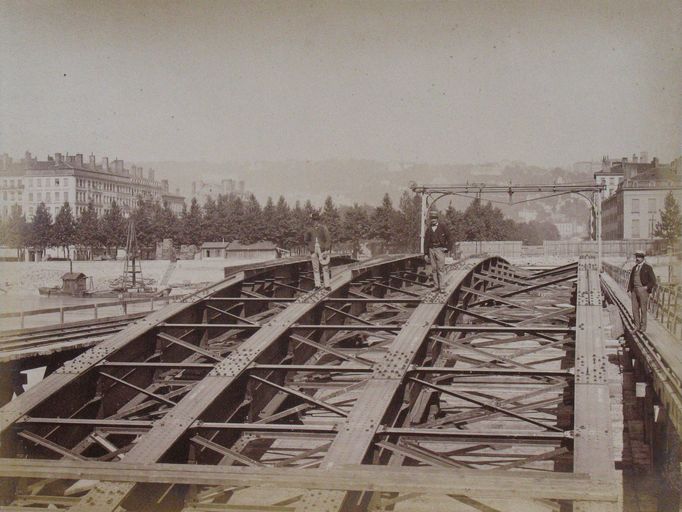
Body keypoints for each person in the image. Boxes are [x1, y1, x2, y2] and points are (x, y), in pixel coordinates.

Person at [627, 250, 657, 332]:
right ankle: (637, 326)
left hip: (643, 291)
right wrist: (630, 289)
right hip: (634, 291)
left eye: (639, 257)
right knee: (634, 309)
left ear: (643, 258)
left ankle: (643, 327)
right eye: (636, 256)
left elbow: (653, 281)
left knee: (643, 309)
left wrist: (647, 287)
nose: (637, 258)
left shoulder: (648, 268)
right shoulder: (634, 268)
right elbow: (631, 279)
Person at [424, 211, 451, 292]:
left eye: (434, 218)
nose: (433, 220)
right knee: (434, 269)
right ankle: (436, 286)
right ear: (430, 219)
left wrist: (447, 248)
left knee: (441, 268)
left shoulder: (443, 226)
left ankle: (442, 287)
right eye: (431, 218)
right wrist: (426, 253)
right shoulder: (428, 229)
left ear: (437, 219)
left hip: (440, 249)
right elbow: (425, 242)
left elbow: (450, 238)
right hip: (431, 249)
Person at [303, 212, 332, 290]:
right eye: (314, 220)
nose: (315, 222)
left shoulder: (323, 228)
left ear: (319, 220)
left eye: (316, 220)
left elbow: (328, 239)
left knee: (325, 267)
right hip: (313, 250)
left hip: (322, 250)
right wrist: (310, 248)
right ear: (312, 221)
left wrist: (326, 250)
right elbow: (306, 240)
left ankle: (327, 285)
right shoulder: (310, 230)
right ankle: (317, 285)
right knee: (315, 268)